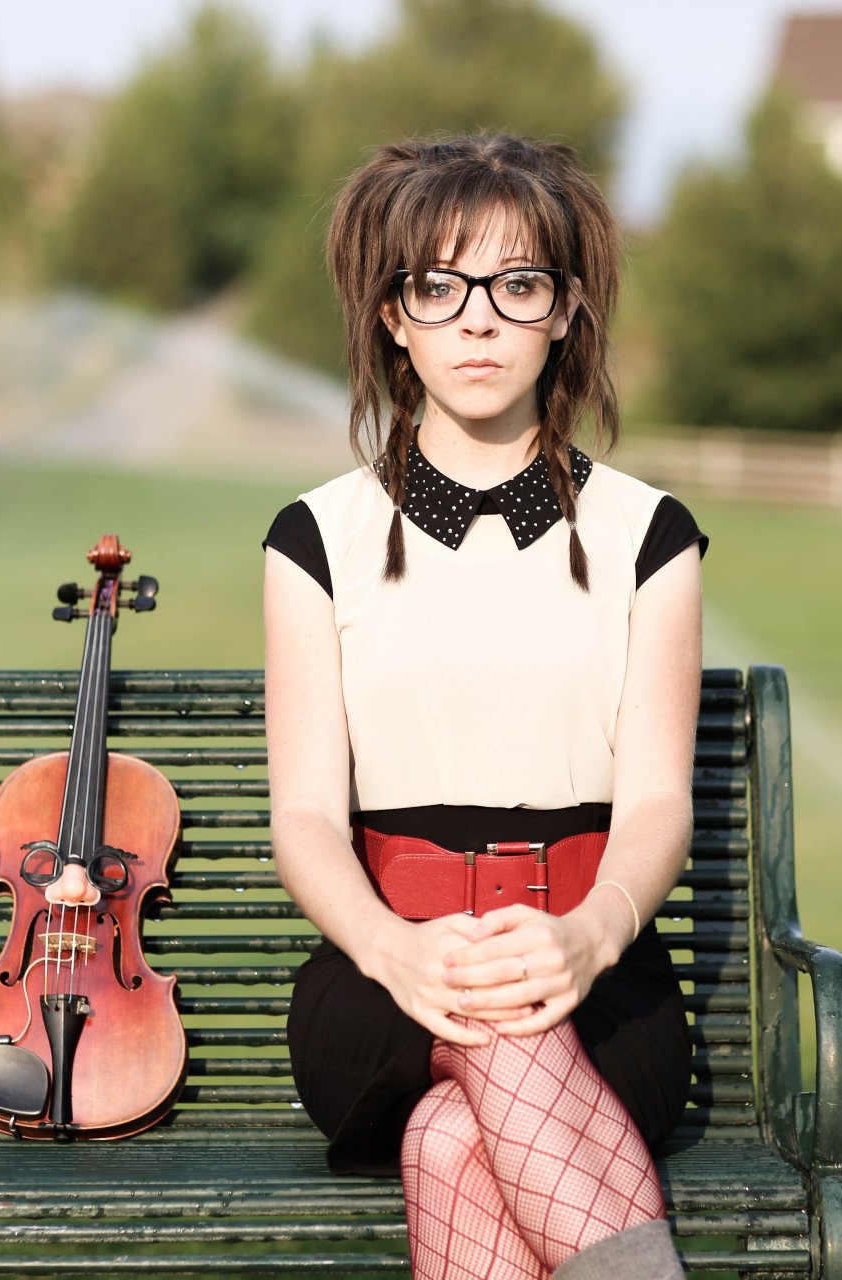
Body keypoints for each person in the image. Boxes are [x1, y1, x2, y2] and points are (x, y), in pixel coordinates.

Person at [261, 132, 708, 1280]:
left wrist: (590, 932)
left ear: (565, 313)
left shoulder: (648, 534)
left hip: (600, 978)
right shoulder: (317, 535)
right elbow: (307, 816)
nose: (477, 319)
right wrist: (396, 951)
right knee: (485, 1037)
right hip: (381, 981)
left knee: (458, 1141)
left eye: (516, 285)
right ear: (392, 318)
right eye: (437, 285)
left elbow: (659, 800)